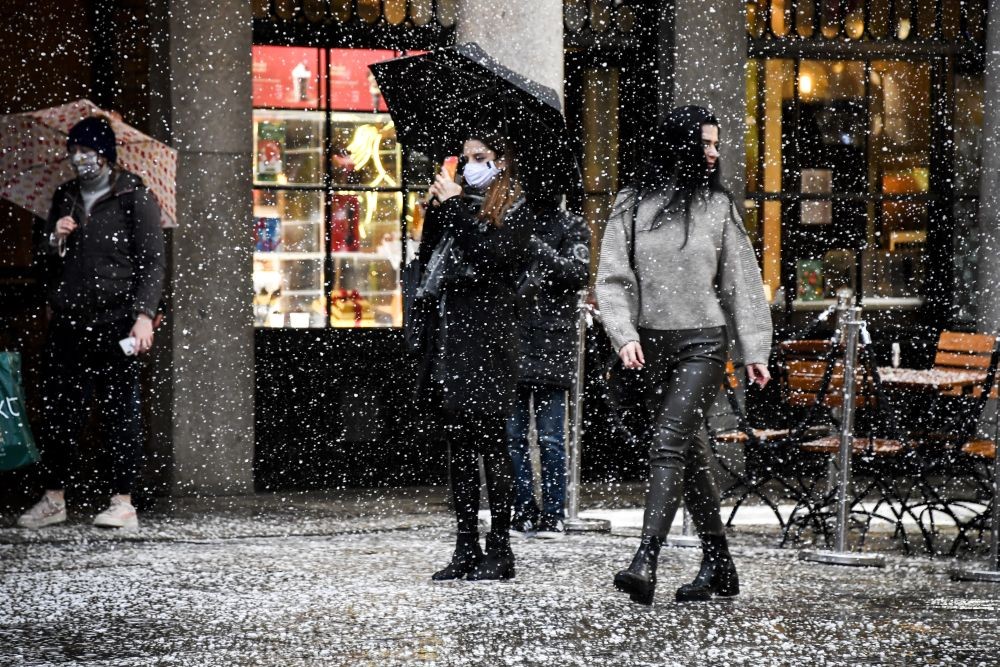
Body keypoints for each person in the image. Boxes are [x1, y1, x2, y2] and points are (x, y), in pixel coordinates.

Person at [595, 106, 772, 604]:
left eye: (717, 145)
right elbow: (612, 278)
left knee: (669, 442)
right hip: (648, 347)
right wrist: (623, 333)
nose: (715, 154)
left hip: (703, 344)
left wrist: (754, 346)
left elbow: (741, 283)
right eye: (707, 144)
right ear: (680, 146)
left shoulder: (718, 207)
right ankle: (720, 564)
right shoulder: (631, 205)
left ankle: (644, 559)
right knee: (689, 452)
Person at [17, 116, 165, 530]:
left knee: (121, 411)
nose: (79, 159)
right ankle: (54, 498)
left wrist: (143, 316)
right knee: (61, 413)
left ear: (105, 155)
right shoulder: (64, 197)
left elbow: (153, 261)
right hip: (69, 322)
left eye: (87, 151)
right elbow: (42, 265)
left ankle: (123, 501)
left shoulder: (134, 195)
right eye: (74, 151)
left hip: (118, 321)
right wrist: (54, 240)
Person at [416, 126, 538, 581]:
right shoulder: (458, 204)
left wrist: (455, 210)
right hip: (451, 336)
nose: (470, 164)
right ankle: (465, 543)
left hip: (490, 339)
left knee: (491, 443)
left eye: (480, 155)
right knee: (459, 446)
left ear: (501, 160)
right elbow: (430, 258)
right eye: (466, 156)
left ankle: (500, 548)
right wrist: (438, 210)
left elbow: (493, 256)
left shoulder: (516, 208)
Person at [506, 202, 590, 539]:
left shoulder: (571, 224)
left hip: (551, 342)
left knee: (551, 437)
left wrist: (536, 247)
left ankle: (552, 512)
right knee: (514, 437)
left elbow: (577, 273)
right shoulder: (512, 217)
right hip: (514, 339)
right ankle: (523, 509)